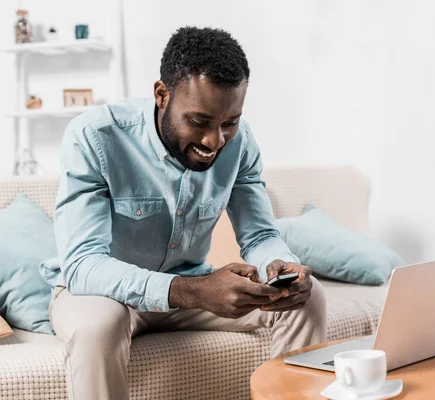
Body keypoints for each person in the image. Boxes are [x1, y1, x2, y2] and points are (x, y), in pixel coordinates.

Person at [40, 26, 327, 400]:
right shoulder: (94, 137)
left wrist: (280, 266)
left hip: (186, 287)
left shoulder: (240, 144)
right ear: (162, 95)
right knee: (100, 323)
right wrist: (192, 291)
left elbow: (259, 236)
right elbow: (83, 265)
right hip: (101, 293)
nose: (215, 141)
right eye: (199, 122)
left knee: (306, 298)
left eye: (229, 122)